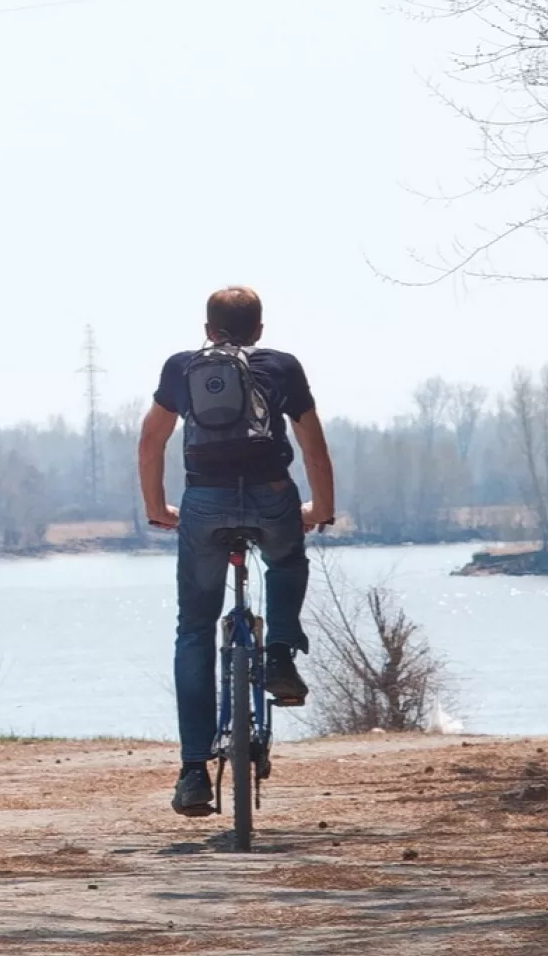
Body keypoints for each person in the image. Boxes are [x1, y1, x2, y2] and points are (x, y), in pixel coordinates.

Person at [138, 286, 336, 816]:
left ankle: (193, 772)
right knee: (288, 560)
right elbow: (313, 444)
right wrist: (322, 508)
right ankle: (280, 656)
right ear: (261, 330)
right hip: (273, 498)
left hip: (202, 505)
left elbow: (151, 440)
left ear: (208, 331)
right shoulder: (283, 366)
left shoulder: (182, 367)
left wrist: (158, 507)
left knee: (194, 630)